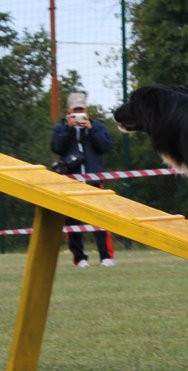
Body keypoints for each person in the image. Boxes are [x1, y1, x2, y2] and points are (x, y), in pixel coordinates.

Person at [50, 92, 115, 267]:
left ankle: (106, 256)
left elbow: (106, 146)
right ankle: (79, 258)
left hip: (94, 179)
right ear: (68, 110)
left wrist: (90, 129)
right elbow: (56, 146)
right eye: (75, 110)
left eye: (81, 109)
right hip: (70, 181)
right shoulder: (60, 128)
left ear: (86, 109)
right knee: (72, 222)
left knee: (101, 218)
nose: (79, 113)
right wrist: (68, 129)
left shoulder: (97, 126)